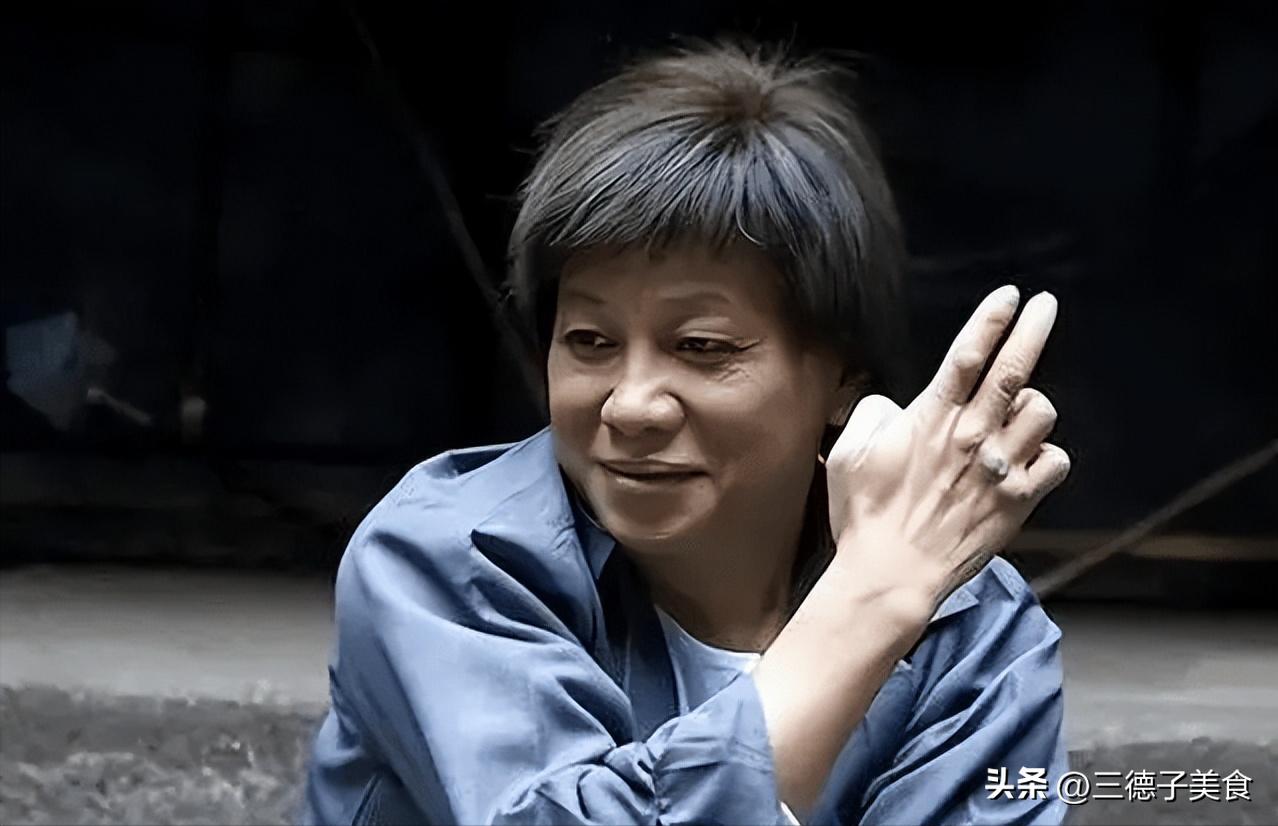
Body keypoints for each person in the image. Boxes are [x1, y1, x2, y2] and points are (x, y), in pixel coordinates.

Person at [301, 39, 1072, 826]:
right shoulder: (451, 559)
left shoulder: (968, 625)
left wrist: (890, 586)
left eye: (702, 347)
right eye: (590, 341)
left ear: (844, 375)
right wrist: (871, 600)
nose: (631, 406)